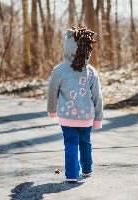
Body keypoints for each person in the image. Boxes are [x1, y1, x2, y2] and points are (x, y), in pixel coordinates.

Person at [47, 27, 103, 183]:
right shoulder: (91, 71)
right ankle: (87, 170)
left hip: (67, 116)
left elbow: (52, 91)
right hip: (86, 117)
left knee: (71, 143)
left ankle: (72, 174)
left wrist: (52, 110)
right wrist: (98, 118)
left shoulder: (59, 70)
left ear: (68, 46)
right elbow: (98, 97)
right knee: (85, 142)